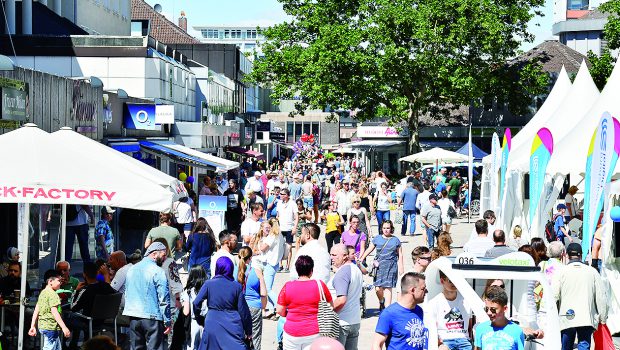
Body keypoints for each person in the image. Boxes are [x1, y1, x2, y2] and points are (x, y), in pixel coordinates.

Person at [553, 243, 607, 350]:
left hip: (566, 316)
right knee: (584, 345)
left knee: (566, 347)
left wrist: (551, 317)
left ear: (567, 255)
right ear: (581, 255)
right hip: (586, 316)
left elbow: (554, 296)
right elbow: (601, 297)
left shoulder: (561, 272)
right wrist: (603, 318)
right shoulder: (592, 272)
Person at [193, 256, 253, 350]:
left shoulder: (209, 284)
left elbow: (196, 302)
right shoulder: (236, 286)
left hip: (212, 322)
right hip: (232, 325)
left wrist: (199, 318)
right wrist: (249, 331)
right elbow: (244, 311)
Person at [277, 255, 334, 349]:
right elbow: (330, 307)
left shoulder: (287, 286)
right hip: (314, 331)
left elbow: (279, 310)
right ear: (311, 270)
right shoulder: (320, 285)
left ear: (297, 270)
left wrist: (289, 314)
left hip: (292, 332)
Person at [123, 242, 172, 350]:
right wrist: (167, 321)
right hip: (152, 318)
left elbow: (127, 293)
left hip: (134, 317)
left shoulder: (131, 269)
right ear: (154, 254)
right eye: (163, 255)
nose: (164, 259)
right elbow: (163, 298)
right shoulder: (158, 271)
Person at [372, 272, 428, 350]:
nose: (426, 291)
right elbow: (376, 345)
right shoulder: (389, 314)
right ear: (412, 290)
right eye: (423, 289)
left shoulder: (419, 311)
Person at [67, 262, 116, 349]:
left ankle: (72, 345)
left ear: (84, 275)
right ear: (97, 273)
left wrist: (76, 291)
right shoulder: (107, 287)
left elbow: (73, 308)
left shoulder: (85, 290)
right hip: (104, 320)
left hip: (89, 321)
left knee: (69, 318)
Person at [360, 220, 404, 311]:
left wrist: (401, 268)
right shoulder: (377, 238)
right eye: (384, 228)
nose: (386, 230)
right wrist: (362, 258)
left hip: (391, 266)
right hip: (379, 267)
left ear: (391, 229)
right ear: (381, 229)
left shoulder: (396, 240)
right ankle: (381, 301)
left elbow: (400, 254)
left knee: (388, 288)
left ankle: (387, 309)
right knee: (377, 289)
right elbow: (369, 249)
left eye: (388, 228)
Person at [426, 271, 472, 350]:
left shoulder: (467, 300)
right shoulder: (434, 303)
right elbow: (431, 327)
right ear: (442, 281)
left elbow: (470, 324)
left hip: (464, 340)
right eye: (450, 280)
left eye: (456, 279)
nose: (454, 283)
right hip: (445, 341)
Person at [329, 244, 363, 350]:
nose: (331, 258)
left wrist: (325, 311)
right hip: (354, 321)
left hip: (341, 323)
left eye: (334, 255)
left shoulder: (343, 273)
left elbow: (341, 300)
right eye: (331, 255)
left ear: (344, 256)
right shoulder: (355, 269)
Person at [29, 270, 71, 350]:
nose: (60, 282)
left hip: (43, 326)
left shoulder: (43, 292)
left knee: (57, 347)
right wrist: (64, 327)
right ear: (50, 281)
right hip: (51, 327)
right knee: (49, 347)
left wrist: (33, 325)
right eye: (59, 280)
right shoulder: (53, 294)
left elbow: (36, 309)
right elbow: (54, 312)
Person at [253, 218, 284, 319]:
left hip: (270, 263)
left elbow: (262, 248)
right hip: (275, 263)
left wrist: (262, 241)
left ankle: (279, 306)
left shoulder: (272, 236)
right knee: (268, 287)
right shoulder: (280, 235)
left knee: (267, 289)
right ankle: (272, 309)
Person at [243, 253, 268, 350]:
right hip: (254, 307)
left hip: (241, 307)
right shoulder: (257, 273)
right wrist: (264, 306)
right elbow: (263, 294)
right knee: (255, 337)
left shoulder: (239, 270)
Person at [181, 265, 208, 350]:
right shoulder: (207, 289)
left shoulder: (188, 291)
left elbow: (186, 311)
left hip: (194, 323)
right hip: (206, 323)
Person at [277, 188, 299, 273]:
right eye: (280, 194)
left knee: (289, 247)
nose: (280, 195)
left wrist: (295, 227)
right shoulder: (279, 203)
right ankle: (280, 265)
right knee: (279, 246)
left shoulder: (293, 203)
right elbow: (278, 215)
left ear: (287, 195)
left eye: (282, 194)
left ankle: (287, 266)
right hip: (281, 228)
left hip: (289, 228)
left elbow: (296, 217)